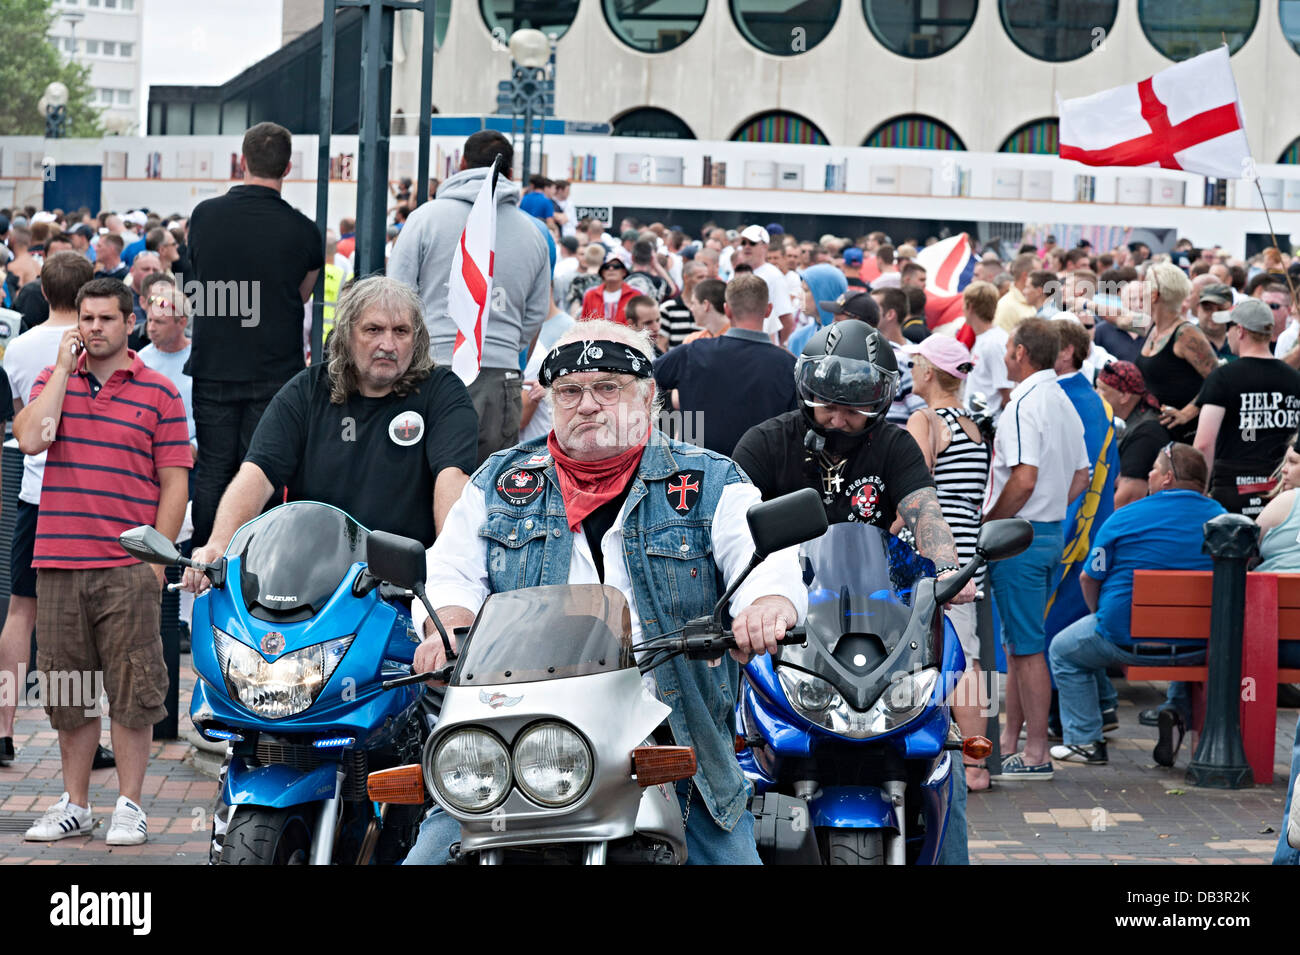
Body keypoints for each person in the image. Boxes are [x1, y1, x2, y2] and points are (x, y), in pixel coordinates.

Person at [403, 319, 807, 865]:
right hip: (520, 730)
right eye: (569, 390)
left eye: (606, 387)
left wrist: (765, 606)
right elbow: (451, 572)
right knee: (433, 852)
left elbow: (761, 555)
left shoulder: (710, 480)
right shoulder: (498, 482)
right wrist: (448, 626)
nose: (586, 404)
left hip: (667, 730)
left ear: (647, 397)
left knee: (726, 853)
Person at [733, 319, 975, 863]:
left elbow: (924, 511)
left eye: (854, 408)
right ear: (807, 394)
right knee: (728, 734)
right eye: (827, 405)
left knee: (942, 749)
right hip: (781, 621)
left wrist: (947, 571)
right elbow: (730, 523)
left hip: (876, 622)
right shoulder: (766, 442)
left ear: (881, 402)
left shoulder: (894, 445)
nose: (839, 418)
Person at [16, 277, 191, 845]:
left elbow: (174, 484)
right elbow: (31, 439)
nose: (94, 328)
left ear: (128, 321)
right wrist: (63, 373)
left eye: (106, 319)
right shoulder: (53, 381)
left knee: (133, 690)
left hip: (127, 568)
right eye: (86, 319)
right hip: (61, 562)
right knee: (68, 690)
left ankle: (131, 805)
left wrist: (155, 562)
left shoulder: (160, 393)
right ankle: (75, 804)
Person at [183, 276, 477, 588]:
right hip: (309, 582)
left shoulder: (443, 392)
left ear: (416, 339)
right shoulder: (307, 389)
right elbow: (256, 474)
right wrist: (218, 544)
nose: (388, 345)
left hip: (400, 587)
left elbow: (453, 478)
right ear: (347, 335)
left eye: (400, 331)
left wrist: (449, 570)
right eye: (373, 329)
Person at [187, 123, 324, 547]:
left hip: (214, 364)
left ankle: (205, 565)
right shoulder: (305, 230)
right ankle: (253, 558)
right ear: (287, 167)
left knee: (212, 467)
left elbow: (197, 279)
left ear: (241, 161)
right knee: (262, 468)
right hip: (274, 370)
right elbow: (303, 294)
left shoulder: (204, 216)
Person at [1048, 444, 1222, 766]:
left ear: (1168, 478)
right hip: (1197, 643)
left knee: (1063, 650)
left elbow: (1089, 578)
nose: (1149, 474)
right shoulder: (1223, 520)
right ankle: (1177, 709)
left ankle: (1085, 741)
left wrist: (1099, 615)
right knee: (1184, 627)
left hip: (1127, 638)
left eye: (1154, 468)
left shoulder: (1124, 517)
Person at [388, 131, 550, 466]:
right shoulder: (534, 233)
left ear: (461, 164)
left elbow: (395, 295)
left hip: (428, 365)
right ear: (510, 172)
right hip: (498, 372)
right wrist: (502, 345)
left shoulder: (424, 219)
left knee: (417, 481)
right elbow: (534, 316)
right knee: (485, 492)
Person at [984, 318, 1090, 780]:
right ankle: (1014, 743)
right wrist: (1047, 508)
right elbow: (1080, 477)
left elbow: (1023, 477)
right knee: (1019, 643)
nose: (1006, 355)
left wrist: (992, 522)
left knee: (1026, 648)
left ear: (1022, 352)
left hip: (1023, 535)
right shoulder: (1061, 398)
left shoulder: (1025, 400)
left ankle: (1036, 753)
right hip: (1048, 531)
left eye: (1009, 348)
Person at [0, 252, 94, 766]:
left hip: (34, 493)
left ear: (42, 289)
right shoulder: (93, 345)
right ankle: (87, 735)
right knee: (89, 623)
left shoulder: (17, 349)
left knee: (20, 611)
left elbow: (22, 427)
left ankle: (3, 726)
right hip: (84, 499)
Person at [903, 334, 991, 791]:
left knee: (930, 652)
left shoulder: (925, 419)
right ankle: (976, 760)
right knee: (966, 655)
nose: (911, 372)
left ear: (931, 371)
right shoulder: (974, 426)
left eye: (916, 363)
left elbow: (912, 493)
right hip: (967, 557)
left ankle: (967, 767)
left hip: (930, 556)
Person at [653, 274, 797, 456]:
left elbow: (642, 378)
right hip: (760, 474)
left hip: (698, 470)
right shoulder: (789, 366)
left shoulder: (691, 353)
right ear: (768, 310)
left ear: (727, 310)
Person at [1184, 299, 1300, 518]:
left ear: (1241, 331)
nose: (1227, 334)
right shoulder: (1294, 379)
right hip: (1282, 493)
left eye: (1229, 327)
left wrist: (1199, 495)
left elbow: (1204, 443)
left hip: (1232, 491)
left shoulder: (1223, 377)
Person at [1135, 262, 1219, 442]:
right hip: (1153, 432)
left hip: (1181, 437)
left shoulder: (1186, 334)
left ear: (1155, 295)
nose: (1140, 293)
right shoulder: (1153, 327)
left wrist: (1187, 413)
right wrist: (1087, 304)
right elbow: (1122, 319)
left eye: (1144, 287)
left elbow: (1218, 379)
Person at [1095, 360, 1170, 508]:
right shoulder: (1119, 420)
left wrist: (1096, 528)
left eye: (1102, 390)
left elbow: (1129, 496)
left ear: (1124, 396)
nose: (1095, 394)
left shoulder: (1146, 433)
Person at [962, 280, 1014, 418]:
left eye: (964, 304)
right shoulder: (985, 338)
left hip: (988, 425)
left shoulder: (994, 343)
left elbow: (1007, 392)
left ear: (970, 307)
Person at [733, 225, 794, 342]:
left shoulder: (774, 276)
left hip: (763, 345)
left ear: (765, 247)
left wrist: (777, 346)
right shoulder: (736, 272)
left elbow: (786, 319)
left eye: (752, 243)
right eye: (743, 242)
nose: (747, 246)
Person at [993, 253, 1040, 334]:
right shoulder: (1006, 306)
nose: (1042, 277)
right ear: (1025, 275)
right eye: (1038, 273)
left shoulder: (1034, 300)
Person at [581, 257, 637, 323]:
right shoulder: (590, 295)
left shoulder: (636, 295)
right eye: (606, 267)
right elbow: (583, 323)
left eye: (616, 266)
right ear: (602, 272)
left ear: (624, 272)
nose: (611, 269)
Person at [682, 278, 729, 343]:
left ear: (705, 305)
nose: (691, 309)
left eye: (694, 303)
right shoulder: (692, 340)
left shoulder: (737, 339)